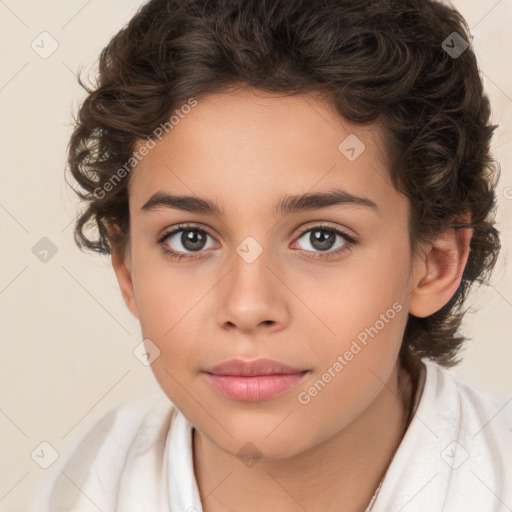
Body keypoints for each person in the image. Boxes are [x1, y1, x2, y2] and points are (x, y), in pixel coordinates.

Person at [29, 0, 512, 510]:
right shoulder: (83, 482)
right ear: (126, 267)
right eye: (190, 238)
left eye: (322, 238)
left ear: (434, 263)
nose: (247, 306)